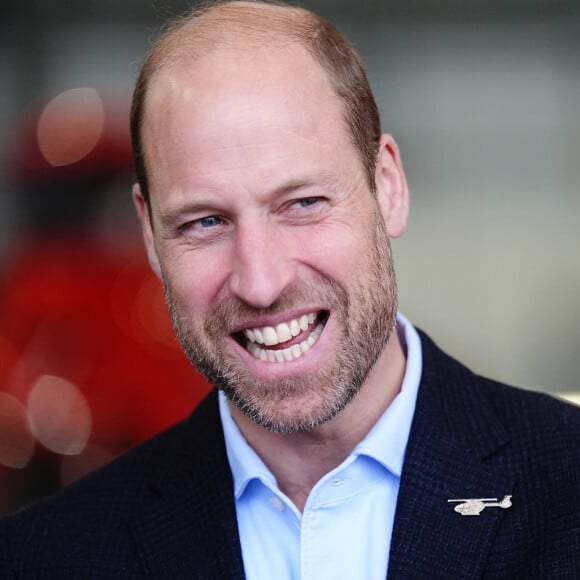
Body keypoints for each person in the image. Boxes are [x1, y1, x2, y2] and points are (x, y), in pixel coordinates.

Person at [0, 1, 578, 577]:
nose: (260, 282)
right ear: (149, 234)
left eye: (302, 204)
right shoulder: (43, 556)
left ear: (389, 187)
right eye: (204, 222)